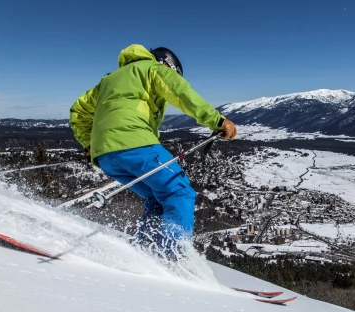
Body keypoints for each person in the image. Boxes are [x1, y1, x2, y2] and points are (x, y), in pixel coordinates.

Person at [69, 44, 237, 259]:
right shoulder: (152, 69)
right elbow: (181, 93)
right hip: (135, 144)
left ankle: (145, 251)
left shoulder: (107, 80)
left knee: (156, 197)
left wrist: (89, 143)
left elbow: (78, 110)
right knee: (179, 193)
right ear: (166, 63)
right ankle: (171, 256)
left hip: (106, 156)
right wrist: (218, 121)